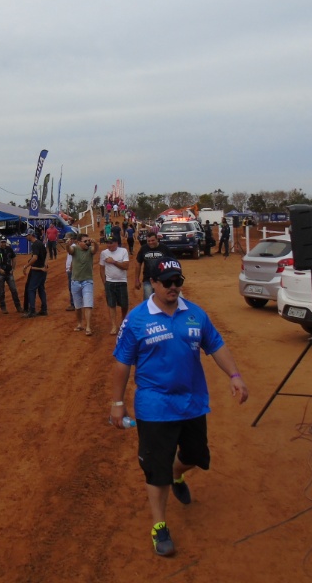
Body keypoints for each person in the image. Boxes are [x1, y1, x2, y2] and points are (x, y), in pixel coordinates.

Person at [110, 256, 248, 557]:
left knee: (197, 455)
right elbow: (122, 363)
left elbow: (216, 345)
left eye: (178, 281)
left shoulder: (195, 314)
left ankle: (176, 472)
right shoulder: (137, 319)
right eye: (168, 282)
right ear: (153, 284)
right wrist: (118, 403)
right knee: (155, 471)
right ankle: (160, 526)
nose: (174, 287)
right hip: (154, 406)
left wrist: (235, 376)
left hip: (192, 402)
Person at [69, 233, 100, 336]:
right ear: (78, 242)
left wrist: (95, 243)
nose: (87, 243)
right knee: (77, 306)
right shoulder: (75, 249)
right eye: (85, 241)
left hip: (87, 281)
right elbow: (69, 250)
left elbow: (95, 250)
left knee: (88, 304)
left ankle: (88, 326)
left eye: (88, 241)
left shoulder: (90, 250)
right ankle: (79, 324)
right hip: (75, 281)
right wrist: (67, 245)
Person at [99, 237, 129, 335]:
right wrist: (105, 282)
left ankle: (123, 321)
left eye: (111, 243)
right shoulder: (104, 253)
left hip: (121, 281)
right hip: (110, 282)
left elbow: (126, 266)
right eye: (107, 243)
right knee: (111, 304)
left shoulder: (123, 251)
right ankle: (113, 325)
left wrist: (114, 262)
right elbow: (102, 268)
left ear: (116, 242)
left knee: (124, 304)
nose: (109, 245)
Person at [135, 232, 171, 301]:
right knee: (148, 301)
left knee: (162, 299)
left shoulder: (164, 248)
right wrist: (136, 280)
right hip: (148, 279)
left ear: (157, 239)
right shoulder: (143, 248)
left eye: (153, 240)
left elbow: (171, 261)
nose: (150, 242)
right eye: (148, 241)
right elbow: (138, 264)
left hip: (162, 280)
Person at [22, 229, 48, 318]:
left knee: (31, 289)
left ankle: (32, 310)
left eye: (27, 235)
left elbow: (35, 258)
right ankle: (44, 309)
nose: (26, 237)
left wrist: (26, 266)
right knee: (41, 289)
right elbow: (46, 254)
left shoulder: (35, 245)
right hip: (42, 270)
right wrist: (45, 265)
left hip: (37, 270)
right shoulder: (40, 243)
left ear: (30, 235)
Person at [0, 235, 21, 314]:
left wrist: (13, 269)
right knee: (1, 292)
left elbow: (14, 258)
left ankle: (18, 306)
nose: (3, 244)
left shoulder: (9, 249)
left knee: (14, 290)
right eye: (2, 242)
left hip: (9, 273)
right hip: (0, 273)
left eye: (4, 242)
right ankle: (3, 307)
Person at [63, 232, 77, 312]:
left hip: (72, 271)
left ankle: (73, 304)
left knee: (72, 287)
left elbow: (74, 259)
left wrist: (71, 269)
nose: (66, 241)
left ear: (71, 239)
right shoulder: (71, 246)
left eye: (67, 239)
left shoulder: (73, 247)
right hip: (71, 270)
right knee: (72, 287)